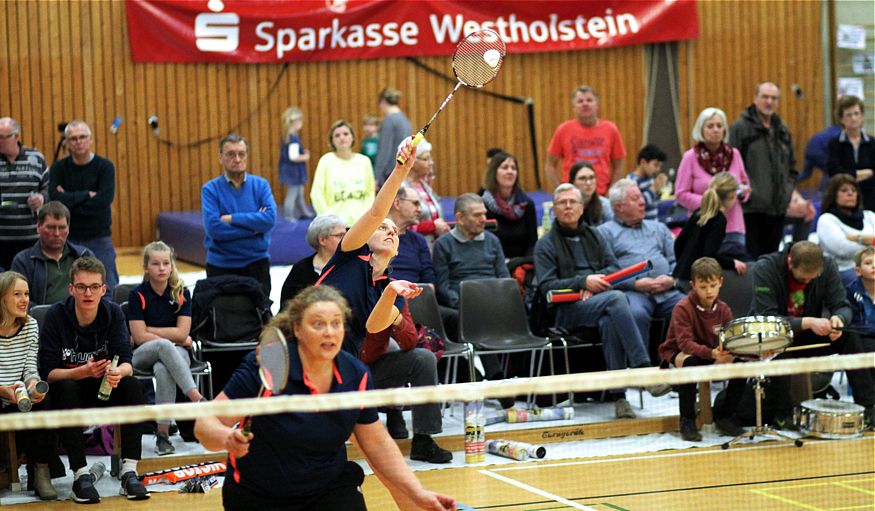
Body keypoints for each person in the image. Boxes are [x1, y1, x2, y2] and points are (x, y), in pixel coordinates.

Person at [194, 286, 456, 510]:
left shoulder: (355, 374)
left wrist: (417, 492)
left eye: (336, 323)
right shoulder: (269, 363)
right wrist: (225, 438)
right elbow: (205, 423)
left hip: (327, 490)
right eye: (318, 324)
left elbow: (377, 445)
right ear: (297, 328)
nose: (329, 332)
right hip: (259, 495)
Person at [534, 183, 669, 419]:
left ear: (581, 207)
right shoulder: (545, 244)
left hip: (598, 300)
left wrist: (596, 286)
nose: (568, 207)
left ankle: (619, 398)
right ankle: (644, 370)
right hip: (565, 309)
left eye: (572, 202)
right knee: (617, 299)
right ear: (554, 209)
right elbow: (546, 286)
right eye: (562, 203)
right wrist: (582, 282)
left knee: (610, 319)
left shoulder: (595, 235)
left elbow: (613, 267)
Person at [38, 256, 150, 503]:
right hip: (69, 388)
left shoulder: (112, 313)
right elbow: (48, 373)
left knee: (133, 385)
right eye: (81, 287)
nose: (87, 293)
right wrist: (82, 372)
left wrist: (119, 372)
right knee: (66, 388)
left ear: (103, 289)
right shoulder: (56, 316)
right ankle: (81, 475)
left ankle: (129, 471)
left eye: (94, 287)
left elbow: (128, 361)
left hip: (104, 386)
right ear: (71, 289)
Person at [750, 241, 875, 428]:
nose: (807, 282)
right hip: (776, 337)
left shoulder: (828, 266)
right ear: (790, 262)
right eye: (802, 279)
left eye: (812, 278)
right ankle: (782, 414)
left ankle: (868, 407)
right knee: (778, 348)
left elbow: (841, 305)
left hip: (810, 334)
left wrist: (839, 320)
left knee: (849, 337)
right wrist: (807, 322)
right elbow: (766, 318)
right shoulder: (766, 268)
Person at [128, 241, 205, 456]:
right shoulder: (137, 295)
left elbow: (182, 333)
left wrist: (153, 331)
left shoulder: (181, 293)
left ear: (171, 266)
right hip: (143, 354)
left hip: (176, 355)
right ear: (146, 267)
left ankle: (162, 435)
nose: (161, 268)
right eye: (155, 264)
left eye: (165, 263)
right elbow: (140, 337)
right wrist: (173, 338)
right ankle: (196, 397)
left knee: (163, 368)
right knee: (162, 346)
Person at [658, 257, 746, 441]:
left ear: (720, 282)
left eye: (713, 285)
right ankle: (687, 420)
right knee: (692, 362)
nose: (709, 291)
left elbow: (730, 339)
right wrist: (711, 353)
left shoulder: (724, 310)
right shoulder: (682, 308)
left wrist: (731, 352)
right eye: (703, 286)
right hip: (679, 352)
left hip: (710, 351)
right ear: (693, 285)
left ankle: (725, 415)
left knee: (741, 365)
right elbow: (685, 344)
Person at [598, 179, 685, 356]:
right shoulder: (604, 232)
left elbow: (676, 261)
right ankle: (642, 372)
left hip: (667, 290)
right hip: (632, 293)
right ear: (619, 206)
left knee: (688, 307)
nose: (643, 202)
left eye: (641, 197)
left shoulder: (659, 227)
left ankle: (687, 366)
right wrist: (634, 284)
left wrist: (672, 278)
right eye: (635, 198)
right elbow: (606, 272)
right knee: (634, 313)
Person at [0, 271, 56, 500]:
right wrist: (2, 391)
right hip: (1, 392)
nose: (25, 300)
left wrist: (33, 384)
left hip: (19, 394)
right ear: (2, 298)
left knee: (46, 401)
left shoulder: (31, 325)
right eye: (17, 294)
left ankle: (41, 472)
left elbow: (30, 368)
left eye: (27, 294)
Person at [47, 120, 120, 292]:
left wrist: (69, 199)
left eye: (82, 137)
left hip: (99, 236)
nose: (78, 142)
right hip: (68, 238)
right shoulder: (59, 168)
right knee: (66, 288)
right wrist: (87, 195)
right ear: (66, 143)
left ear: (91, 139)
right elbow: (55, 200)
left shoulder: (105, 167)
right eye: (73, 139)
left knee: (108, 287)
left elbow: (103, 202)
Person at [202, 134, 277, 296]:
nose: (237, 159)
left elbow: (269, 219)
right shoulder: (210, 189)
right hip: (221, 265)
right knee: (221, 317)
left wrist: (233, 219)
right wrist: (254, 228)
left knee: (260, 317)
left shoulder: (261, 185)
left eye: (241, 154)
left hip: (256, 263)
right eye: (230, 154)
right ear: (220, 157)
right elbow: (214, 229)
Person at [729, 83, 797, 258]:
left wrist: (787, 193)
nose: (769, 102)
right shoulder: (740, 128)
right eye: (765, 97)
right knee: (753, 261)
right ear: (755, 99)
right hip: (751, 209)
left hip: (778, 207)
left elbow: (792, 167)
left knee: (772, 260)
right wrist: (746, 193)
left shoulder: (783, 130)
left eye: (773, 98)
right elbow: (732, 167)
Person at [386, 187, 460, 344]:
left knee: (455, 317)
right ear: (397, 203)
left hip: (417, 299)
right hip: (389, 302)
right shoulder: (378, 237)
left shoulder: (418, 240)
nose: (420, 209)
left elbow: (429, 280)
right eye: (415, 204)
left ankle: (451, 367)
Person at [676, 108, 751, 262]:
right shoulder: (690, 157)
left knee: (736, 274)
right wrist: (713, 201)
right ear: (701, 130)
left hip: (733, 226)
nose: (716, 130)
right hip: (705, 225)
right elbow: (681, 194)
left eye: (719, 125)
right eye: (710, 126)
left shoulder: (734, 154)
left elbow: (744, 184)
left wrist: (743, 193)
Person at [433, 194, 509, 310]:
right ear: (460, 218)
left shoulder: (493, 240)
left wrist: (500, 301)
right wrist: (463, 306)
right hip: (461, 306)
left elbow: (504, 278)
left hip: (494, 303)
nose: (484, 219)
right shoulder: (443, 244)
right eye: (477, 215)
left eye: (484, 213)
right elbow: (443, 287)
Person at [545, 85, 626, 193]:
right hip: (572, 196)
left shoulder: (611, 129)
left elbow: (619, 165)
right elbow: (549, 165)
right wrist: (561, 190)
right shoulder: (563, 130)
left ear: (597, 105)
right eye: (580, 101)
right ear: (574, 107)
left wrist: (611, 192)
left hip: (601, 194)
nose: (585, 104)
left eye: (589, 100)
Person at [11, 201, 93, 305]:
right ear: (38, 227)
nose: (57, 233)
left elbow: (103, 292)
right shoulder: (23, 261)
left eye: (62, 227)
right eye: (50, 227)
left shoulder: (84, 256)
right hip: (41, 319)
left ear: (68, 229)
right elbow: (17, 301)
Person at [674, 173, 747, 282]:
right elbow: (709, 255)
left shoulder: (699, 212)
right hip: (695, 279)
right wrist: (732, 263)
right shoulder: (719, 219)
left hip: (681, 274)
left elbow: (678, 243)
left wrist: (683, 264)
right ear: (732, 195)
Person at [0, 117, 48, 271]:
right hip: (2, 239)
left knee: (29, 284)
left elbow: (49, 189)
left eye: (2, 137)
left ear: (16, 136)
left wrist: (42, 198)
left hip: (31, 239)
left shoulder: (36, 158)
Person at [309, 120, 376, 227]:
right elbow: (317, 193)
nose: (342, 137)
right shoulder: (326, 161)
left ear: (352, 137)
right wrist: (327, 219)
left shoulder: (364, 161)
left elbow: (370, 191)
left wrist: (366, 215)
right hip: (334, 224)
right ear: (332, 140)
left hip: (361, 223)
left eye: (345, 134)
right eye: (337, 135)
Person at [816, 174, 875, 287]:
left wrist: (857, 239)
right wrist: (872, 242)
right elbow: (843, 249)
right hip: (843, 270)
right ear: (833, 195)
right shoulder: (827, 219)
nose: (850, 193)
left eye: (854, 190)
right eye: (844, 190)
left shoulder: (869, 216)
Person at [479, 151, 538, 258]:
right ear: (494, 172)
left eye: (513, 168)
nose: (510, 171)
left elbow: (532, 243)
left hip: (521, 264)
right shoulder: (482, 205)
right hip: (493, 264)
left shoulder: (526, 204)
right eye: (505, 167)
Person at [279, 214, 347, 307]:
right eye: (340, 235)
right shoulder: (301, 270)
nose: (346, 239)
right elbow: (287, 307)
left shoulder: (351, 265)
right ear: (322, 240)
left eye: (346, 234)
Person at [827, 95, 875, 211]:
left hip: (871, 198)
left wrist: (849, 174)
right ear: (841, 119)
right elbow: (835, 172)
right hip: (843, 201)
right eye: (849, 115)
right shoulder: (835, 143)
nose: (853, 118)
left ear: (862, 116)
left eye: (856, 113)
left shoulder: (872, 142)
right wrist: (865, 173)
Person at [404, 138, 449, 250]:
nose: (431, 163)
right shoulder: (402, 187)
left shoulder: (424, 185)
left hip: (432, 246)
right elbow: (401, 224)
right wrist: (432, 226)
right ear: (413, 161)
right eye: (426, 159)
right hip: (412, 247)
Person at [277, 106, 314, 222]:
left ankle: (303, 211)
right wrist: (305, 157)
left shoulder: (289, 136)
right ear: (297, 122)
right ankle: (288, 215)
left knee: (299, 192)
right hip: (293, 171)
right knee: (292, 193)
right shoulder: (292, 138)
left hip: (293, 170)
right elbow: (293, 157)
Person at [846, 247, 875, 382]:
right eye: (868, 263)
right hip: (864, 338)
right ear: (858, 271)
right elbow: (855, 325)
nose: (874, 266)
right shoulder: (850, 292)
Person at [374, 87, 413, 184]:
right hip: (402, 170)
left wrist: (377, 176)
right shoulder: (405, 120)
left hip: (390, 174)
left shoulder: (389, 121)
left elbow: (384, 151)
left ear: (383, 102)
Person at [627, 144, 667, 221]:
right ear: (643, 162)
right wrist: (654, 188)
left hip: (653, 223)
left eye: (660, 166)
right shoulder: (631, 180)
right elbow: (638, 205)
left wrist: (658, 189)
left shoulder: (650, 179)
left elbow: (654, 202)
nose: (658, 169)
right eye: (655, 165)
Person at [568, 160, 613, 227]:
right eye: (582, 178)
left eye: (592, 178)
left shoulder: (606, 205)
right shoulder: (564, 206)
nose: (588, 183)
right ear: (572, 182)